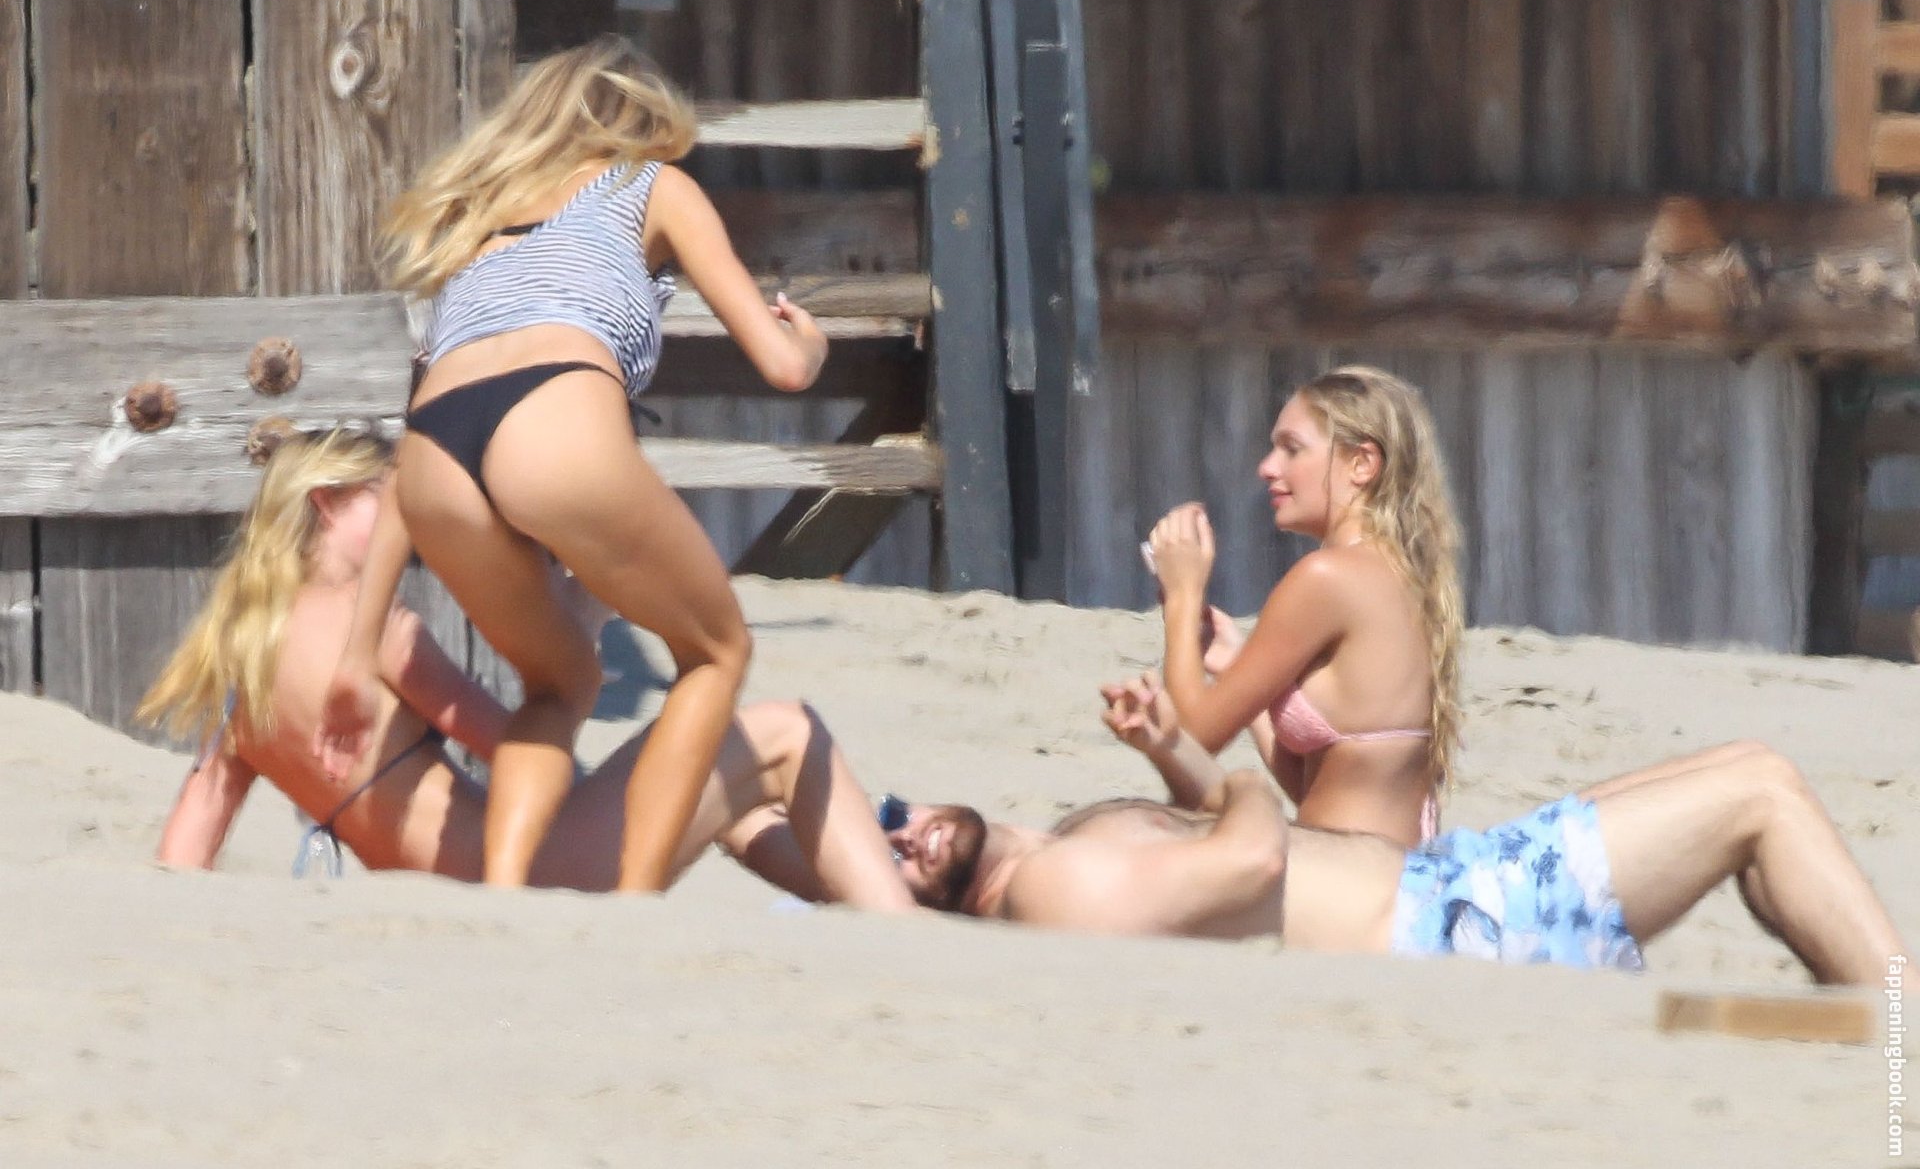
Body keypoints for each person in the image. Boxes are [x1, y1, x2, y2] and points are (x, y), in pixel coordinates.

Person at [317, 36, 830, 891]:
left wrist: (359, 645)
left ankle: (508, 892)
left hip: (438, 452)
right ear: (647, 121)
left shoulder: (478, 220)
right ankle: (631, 898)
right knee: (717, 652)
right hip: (552, 416)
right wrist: (809, 345)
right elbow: (779, 365)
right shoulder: (653, 185)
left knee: (558, 684)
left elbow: (407, 455)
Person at [140, 428, 908, 909]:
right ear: (328, 504)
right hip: (521, 881)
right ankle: (903, 930)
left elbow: (186, 847)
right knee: (783, 733)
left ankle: (864, 895)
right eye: (389, 501)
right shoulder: (376, 633)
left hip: (440, 903)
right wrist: (582, 626)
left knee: (723, 797)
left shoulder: (242, 669)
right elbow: (528, 755)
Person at [881, 731, 1910, 987]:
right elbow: (1247, 862)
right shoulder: (1049, 882)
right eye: (891, 862)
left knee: (1742, 775)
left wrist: (1173, 754)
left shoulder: (1061, 856)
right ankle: (1906, 1057)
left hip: (1454, 891)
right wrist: (1236, 775)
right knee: (1762, 790)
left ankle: (1881, 1036)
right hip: (1460, 927)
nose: (908, 838)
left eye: (894, 815)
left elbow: (1206, 869)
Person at [1146, 365, 1464, 849]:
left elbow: (1192, 737)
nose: (1267, 467)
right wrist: (1242, 675)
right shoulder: (1406, 573)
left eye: (1291, 449)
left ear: (1362, 464)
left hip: (1343, 872)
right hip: (1401, 867)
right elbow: (1322, 785)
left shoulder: (1325, 578)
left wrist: (1182, 597)